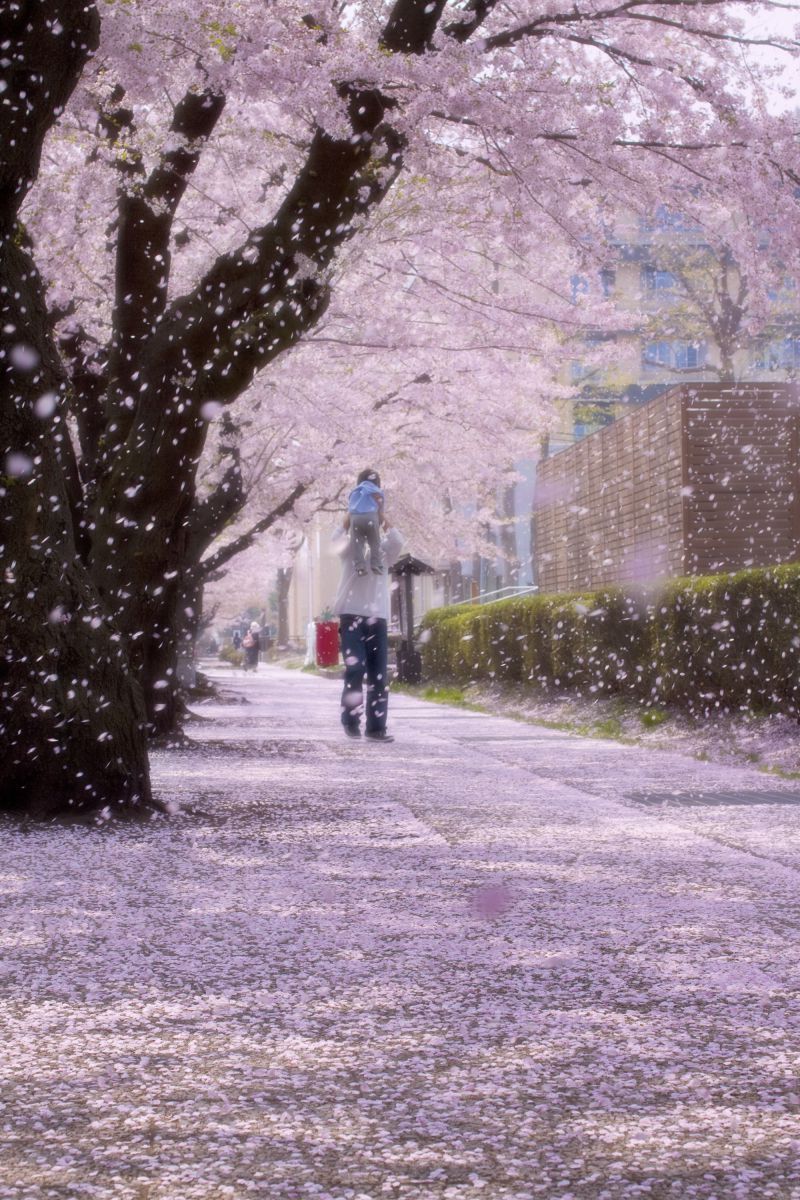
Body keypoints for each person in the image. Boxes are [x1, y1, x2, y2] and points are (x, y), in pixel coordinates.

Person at [332, 509, 403, 741]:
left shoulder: (384, 552)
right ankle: (351, 719)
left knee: (379, 675)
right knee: (355, 668)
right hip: (350, 615)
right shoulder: (351, 550)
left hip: (378, 618)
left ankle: (376, 729)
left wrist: (382, 516)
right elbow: (335, 540)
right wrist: (350, 515)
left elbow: (397, 540)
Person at [345, 468, 385, 576]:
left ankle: (360, 567)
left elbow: (350, 506)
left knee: (356, 544)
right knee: (375, 542)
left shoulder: (355, 491)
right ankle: (375, 564)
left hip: (355, 518)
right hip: (371, 517)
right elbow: (380, 507)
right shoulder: (376, 491)